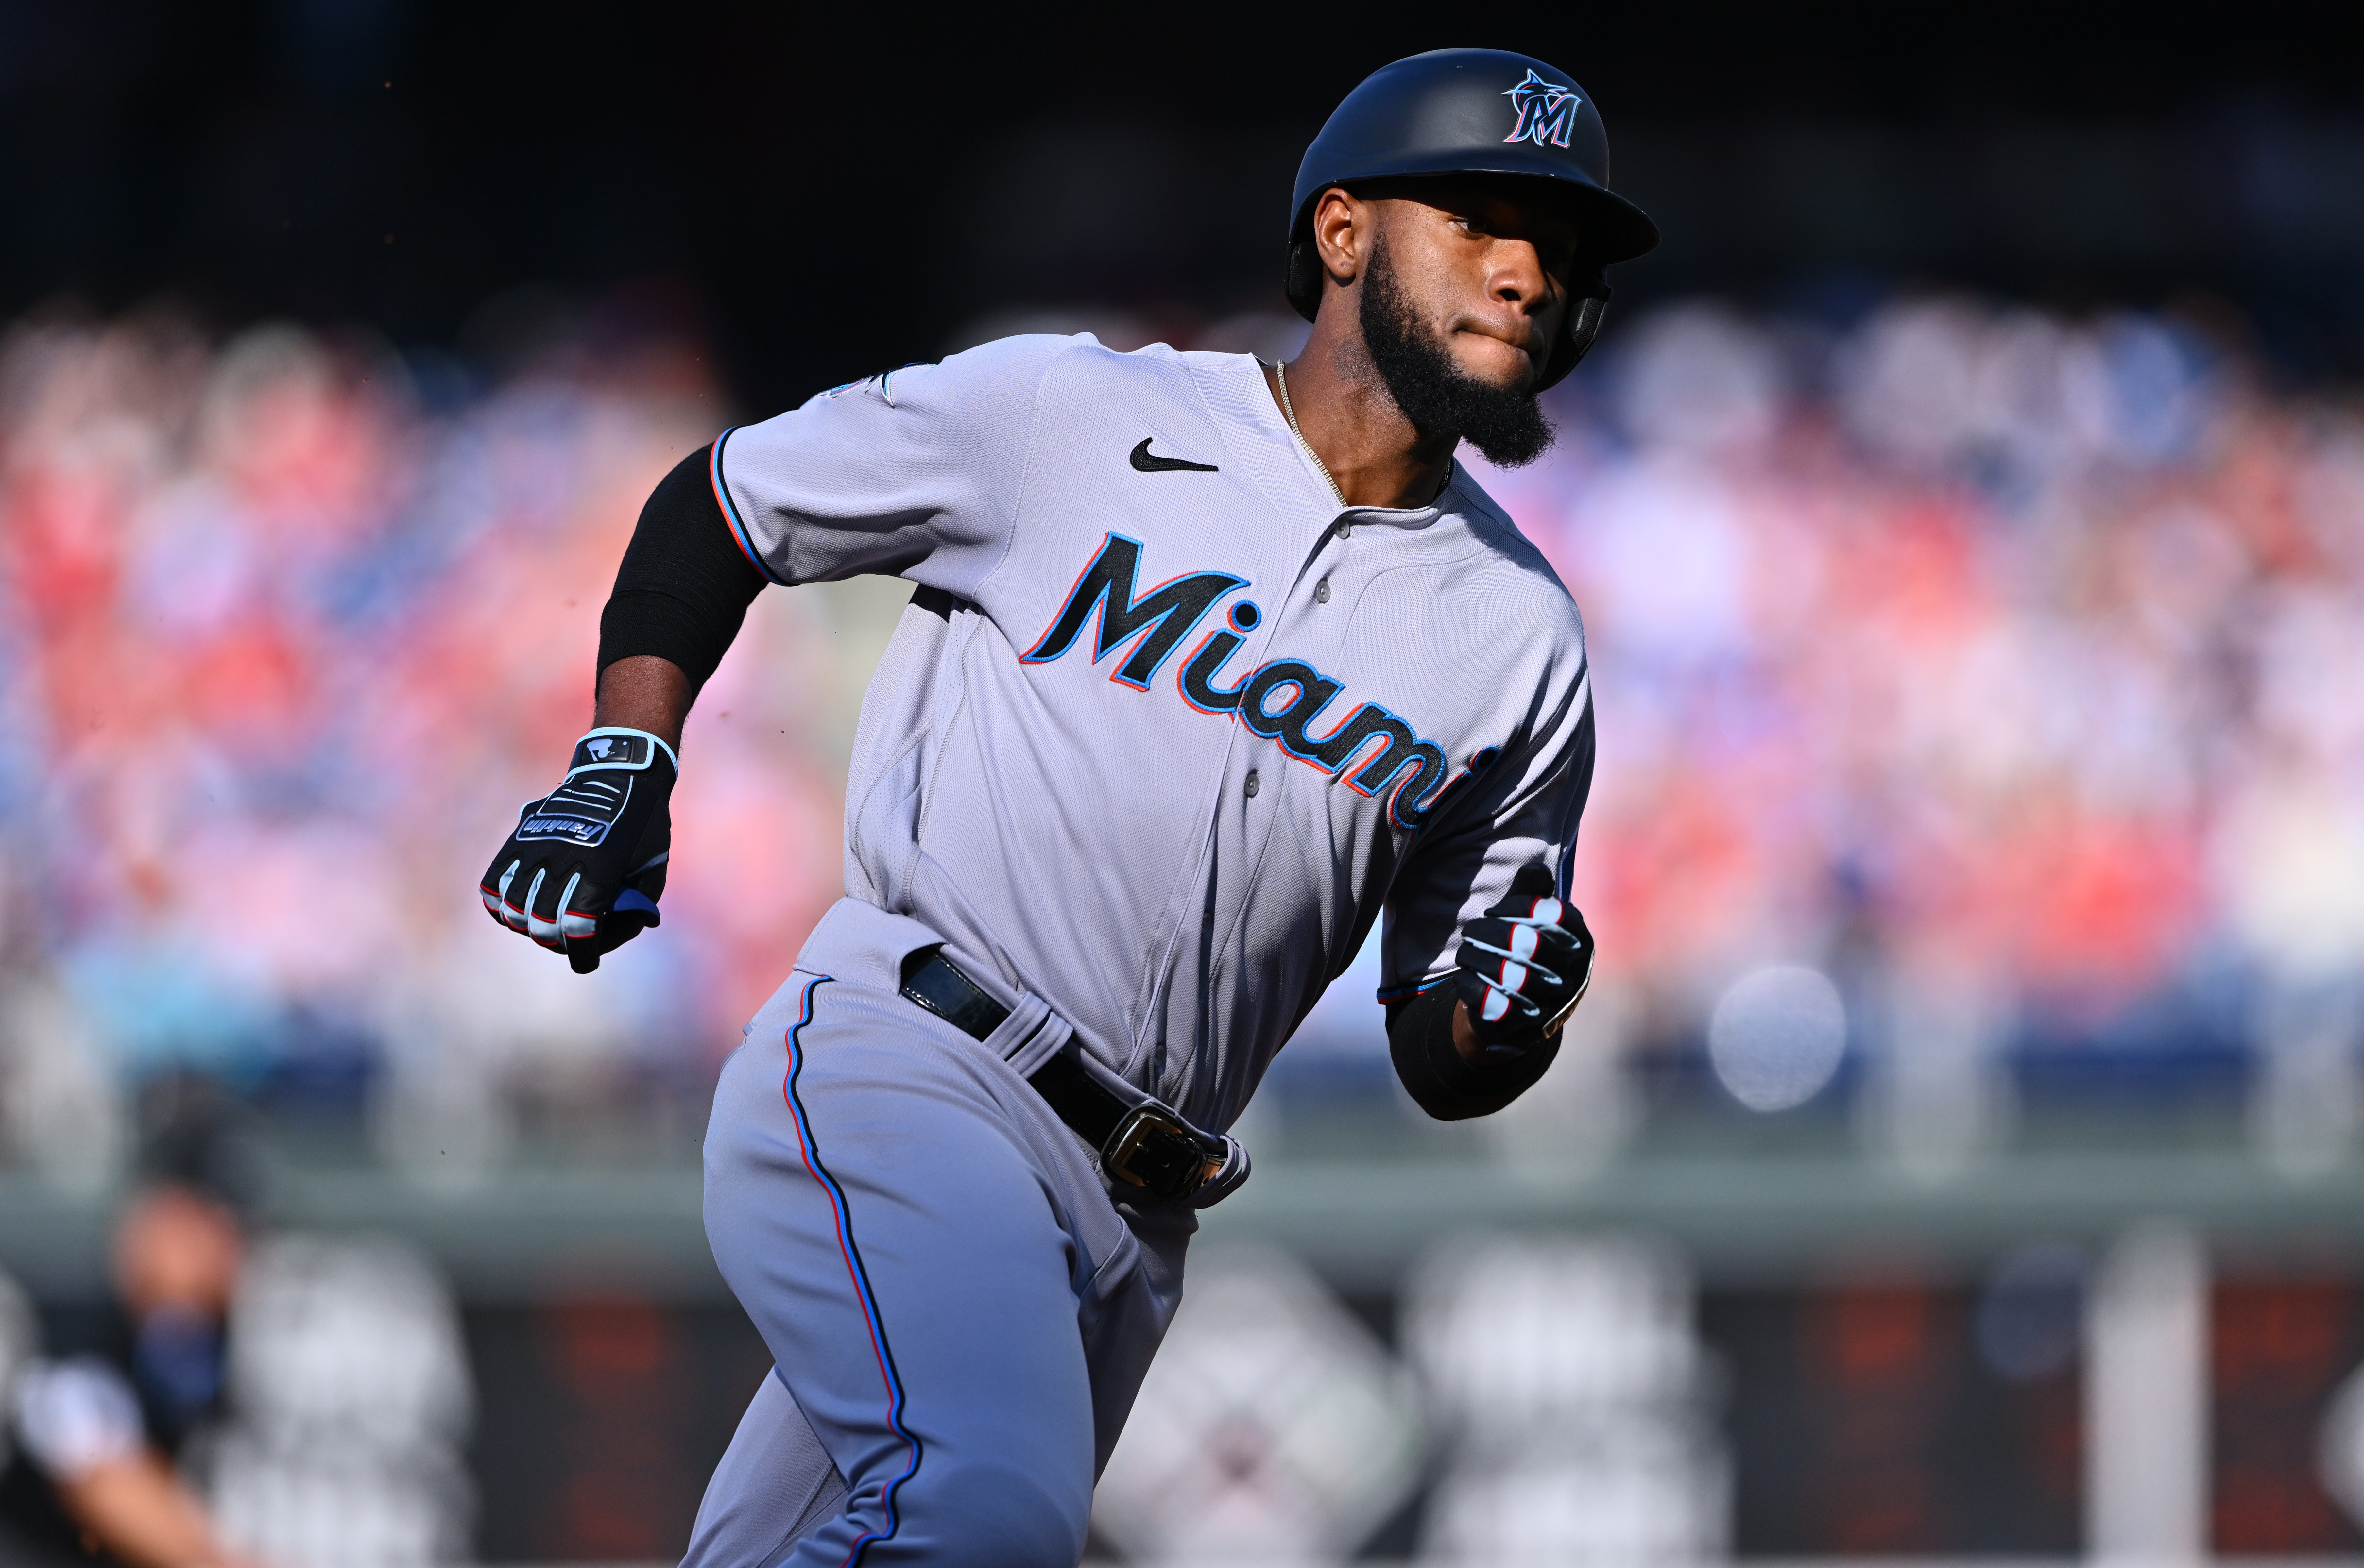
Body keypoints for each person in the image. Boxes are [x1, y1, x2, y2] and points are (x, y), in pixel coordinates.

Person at [479, 46, 1656, 1566]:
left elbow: (1444, 1050)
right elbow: (725, 498)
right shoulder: (1070, 412)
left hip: (1133, 1214)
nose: (1528, 271)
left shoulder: (1519, 639)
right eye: (1487, 219)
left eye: (1561, 250)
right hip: (913, 1065)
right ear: (1344, 232)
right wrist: (624, 755)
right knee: (984, 1512)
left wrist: (1507, 1019)